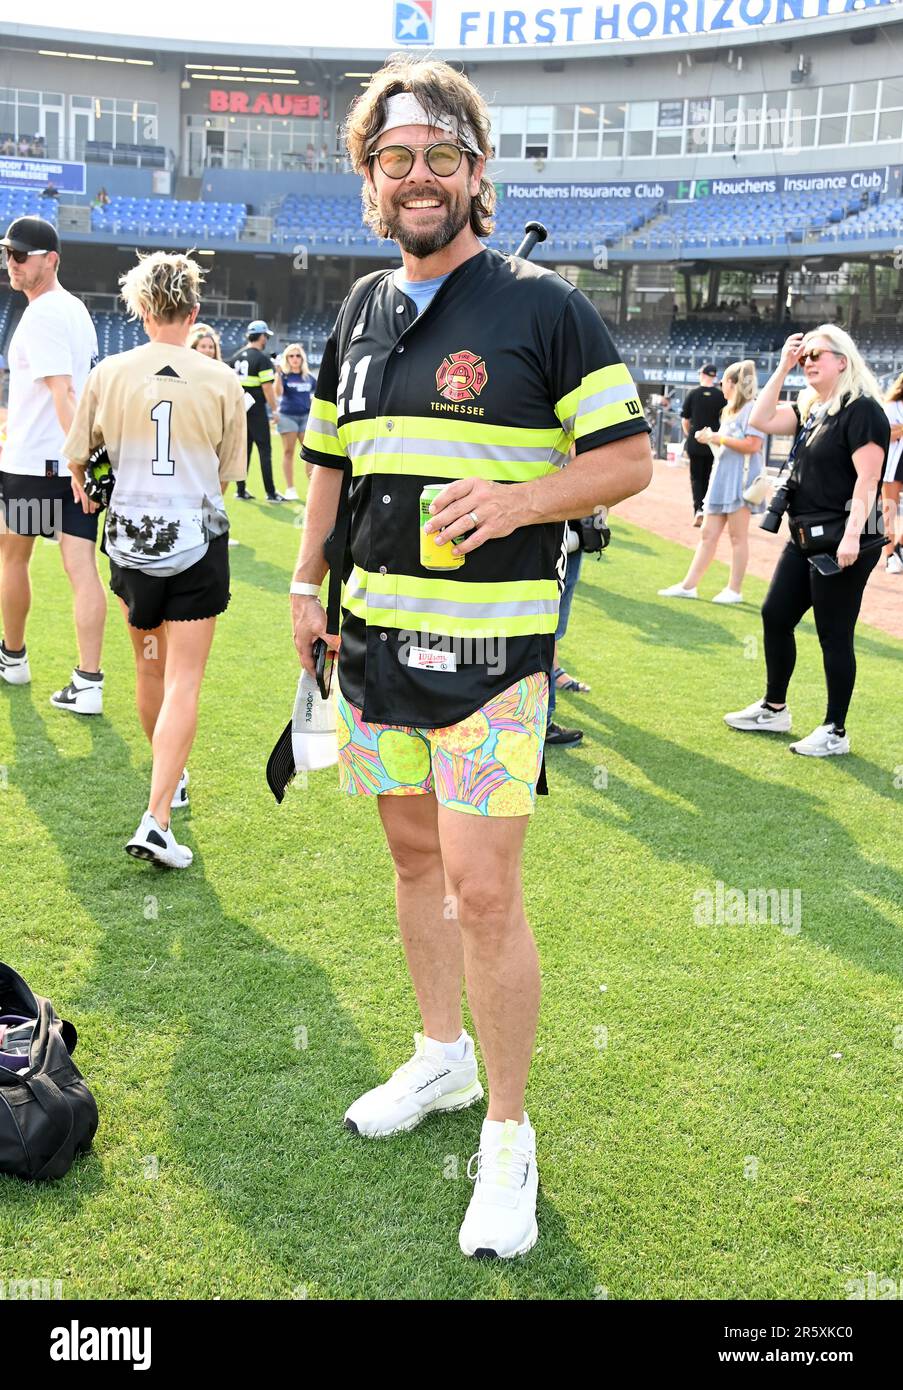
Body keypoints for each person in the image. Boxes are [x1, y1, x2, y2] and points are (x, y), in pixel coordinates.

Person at [291, 55, 652, 1260]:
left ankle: (508, 1130)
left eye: (442, 156)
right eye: (396, 158)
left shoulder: (544, 305)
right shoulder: (357, 308)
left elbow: (628, 462)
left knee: (484, 889)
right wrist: (307, 585)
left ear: (476, 171)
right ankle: (439, 1057)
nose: (420, 177)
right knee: (409, 861)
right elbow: (332, 462)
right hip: (375, 649)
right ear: (370, 177)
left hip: (493, 661)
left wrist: (517, 500)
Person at [64, 251, 248, 864]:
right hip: (195, 545)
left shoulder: (108, 373)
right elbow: (227, 477)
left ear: (141, 309)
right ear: (194, 311)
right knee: (185, 678)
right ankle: (158, 813)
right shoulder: (223, 381)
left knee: (149, 668)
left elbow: (78, 464)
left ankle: (167, 783)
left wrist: (99, 482)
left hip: (131, 548)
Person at [724, 326, 889, 757]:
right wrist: (782, 365)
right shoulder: (814, 407)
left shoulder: (863, 410)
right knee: (776, 613)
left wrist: (852, 536)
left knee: (834, 633)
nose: (809, 361)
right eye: (804, 357)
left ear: (843, 360)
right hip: (808, 534)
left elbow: (869, 480)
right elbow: (759, 420)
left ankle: (835, 730)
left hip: (848, 535)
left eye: (817, 354)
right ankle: (774, 707)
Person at [0, 216, 106, 713]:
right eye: (8, 253)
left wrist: (78, 464)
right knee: (81, 568)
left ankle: (13, 657)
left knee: (13, 558)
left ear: (50, 260)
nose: (11, 263)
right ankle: (88, 681)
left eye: (20, 255)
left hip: (35, 465)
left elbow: (64, 393)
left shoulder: (42, 315)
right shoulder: (77, 310)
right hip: (65, 464)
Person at [659, 359, 765, 604]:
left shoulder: (750, 408)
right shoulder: (731, 409)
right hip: (723, 476)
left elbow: (753, 445)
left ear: (733, 383)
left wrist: (718, 438)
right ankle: (689, 585)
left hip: (740, 480)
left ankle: (734, 590)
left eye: (725, 381)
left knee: (738, 537)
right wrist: (712, 439)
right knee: (708, 534)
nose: (721, 385)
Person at [190, 323, 240, 549]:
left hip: (219, 435)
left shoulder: (223, 374)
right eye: (203, 346)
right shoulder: (186, 371)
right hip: (194, 436)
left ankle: (212, 526)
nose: (208, 350)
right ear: (194, 347)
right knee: (196, 482)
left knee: (221, 479)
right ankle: (195, 527)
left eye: (211, 346)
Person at [228, 320, 284, 503]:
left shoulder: (236, 357)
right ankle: (271, 493)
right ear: (261, 337)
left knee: (244, 451)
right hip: (257, 411)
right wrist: (275, 410)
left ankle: (241, 490)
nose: (266, 339)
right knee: (265, 451)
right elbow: (267, 388)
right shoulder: (262, 359)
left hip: (240, 410)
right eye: (265, 336)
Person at [681, 364, 726, 525]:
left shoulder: (693, 394)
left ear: (703, 375)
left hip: (696, 441)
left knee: (696, 477)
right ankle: (707, 509)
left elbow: (685, 421)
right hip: (713, 441)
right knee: (708, 476)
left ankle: (699, 509)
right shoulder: (721, 395)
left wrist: (691, 436)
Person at [274, 343, 316, 500]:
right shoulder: (283, 376)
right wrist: (278, 375)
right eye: (291, 356)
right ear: (286, 358)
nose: (295, 359)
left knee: (310, 454)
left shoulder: (309, 377)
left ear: (302, 358)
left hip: (306, 417)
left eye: (298, 356)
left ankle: (313, 489)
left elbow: (316, 397)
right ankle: (290, 489)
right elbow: (278, 393)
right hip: (287, 416)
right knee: (288, 452)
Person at [881, 372, 903, 574]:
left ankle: (899, 547)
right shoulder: (892, 406)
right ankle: (889, 556)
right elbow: (886, 434)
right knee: (889, 512)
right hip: (895, 463)